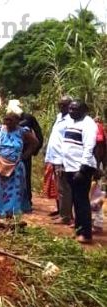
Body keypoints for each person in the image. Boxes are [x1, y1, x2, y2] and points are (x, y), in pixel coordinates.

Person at [0, 111, 39, 220]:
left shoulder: (22, 132)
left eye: (10, 120)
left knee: (13, 192)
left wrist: (25, 156)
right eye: (6, 120)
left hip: (15, 167)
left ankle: (10, 216)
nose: (7, 122)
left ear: (17, 121)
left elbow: (35, 143)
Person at [62, 100, 97, 244]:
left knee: (82, 201)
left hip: (81, 168)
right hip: (70, 167)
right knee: (76, 200)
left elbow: (89, 148)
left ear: (84, 111)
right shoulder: (71, 122)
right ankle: (78, 229)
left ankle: (86, 233)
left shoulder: (88, 125)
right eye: (70, 108)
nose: (71, 111)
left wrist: (82, 170)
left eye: (75, 109)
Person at [10, 99, 44, 213]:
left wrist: (34, 151)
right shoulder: (10, 118)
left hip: (25, 153)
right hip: (12, 154)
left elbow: (38, 135)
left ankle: (27, 201)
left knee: (25, 177)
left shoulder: (28, 118)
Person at [44, 97, 73, 224]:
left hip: (62, 158)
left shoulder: (70, 120)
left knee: (64, 188)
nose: (61, 107)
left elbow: (67, 142)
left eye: (64, 105)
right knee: (59, 187)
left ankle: (66, 216)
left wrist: (62, 159)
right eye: (60, 104)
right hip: (54, 157)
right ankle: (62, 212)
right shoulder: (59, 117)